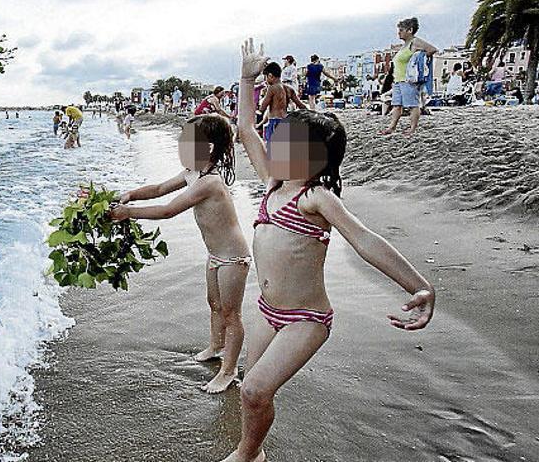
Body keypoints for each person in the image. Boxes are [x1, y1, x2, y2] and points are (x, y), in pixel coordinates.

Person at [221, 38, 436, 462]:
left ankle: (246, 455)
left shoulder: (316, 198)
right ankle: (257, 452)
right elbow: (245, 129)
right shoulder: (273, 183)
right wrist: (246, 79)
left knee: (254, 389)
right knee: (254, 390)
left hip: (306, 319)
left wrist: (420, 285)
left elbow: (365, 239)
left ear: (317, 161)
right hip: (267, 311)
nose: (277, 148)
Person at [111, 114, 250, 394]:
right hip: (215, 255)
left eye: (186, 142)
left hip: (234, 258)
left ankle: (229, 370)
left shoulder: (209, 182)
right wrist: (130, 195)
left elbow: (168, 210)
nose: (180, 147)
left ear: (207, 148)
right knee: (213, 303)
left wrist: (128, 214)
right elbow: (160, 190)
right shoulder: (191, 174)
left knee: (230, 313)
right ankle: (216, 345)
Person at [380, 17, 437, 135]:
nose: (399, 32)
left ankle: (412, 128)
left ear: (409, 30)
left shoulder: (415, 42)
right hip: (398, 80)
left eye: (401, 30)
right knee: (396, 105)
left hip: (408, 80)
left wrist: (418, 59)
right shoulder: (404, 45)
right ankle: (391, 127)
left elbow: (432, 49)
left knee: (412, 105)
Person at [254, 62, 306, 143]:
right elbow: (301, 106)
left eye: (266, 77)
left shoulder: (272, 88)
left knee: (272, 148)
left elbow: (263, 107)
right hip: (285, 120)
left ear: (270, 76)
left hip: (274, 121)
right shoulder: (289, 89)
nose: (265, 80)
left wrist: (257, 111)